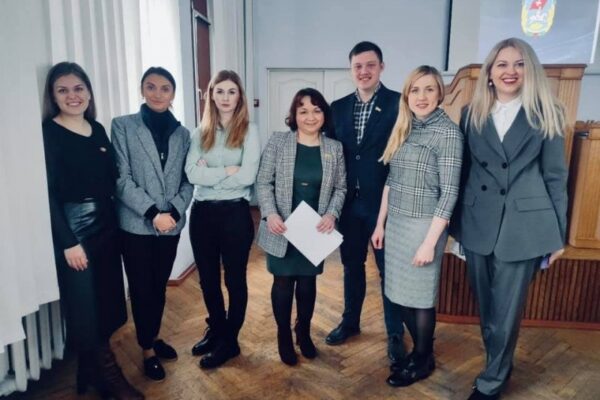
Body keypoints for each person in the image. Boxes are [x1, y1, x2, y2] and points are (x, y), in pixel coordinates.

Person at [450, 38, 568, 400]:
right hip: (478, 222)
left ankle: (492, 380)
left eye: (519, 64)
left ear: (529, 71)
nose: (510, 71)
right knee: (487, 309)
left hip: (525, 227)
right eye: (502, 64)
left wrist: (558, 235)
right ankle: (498, 364)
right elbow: (464, 173)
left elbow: (555, 177)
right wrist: (457, 227)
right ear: (490, 72)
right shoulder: (472, 113)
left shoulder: (547, 112)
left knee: (506, 310)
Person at [42, 62, 144, 399]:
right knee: (87, 308)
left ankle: (88, 373)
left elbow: (112, 179)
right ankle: (111, 379)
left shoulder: (96, 128)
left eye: (78, 88)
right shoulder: (49, 133)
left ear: (88, 92)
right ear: (53, 96)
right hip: (76, 230)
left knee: (109, 301)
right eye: (63, 90)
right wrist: (68, 242)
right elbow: (47, 193)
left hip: (107, 226)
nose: (72, 96)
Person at [371, 65, 463, 387]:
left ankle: (423, 359)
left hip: (425, 226)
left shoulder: (448, 134)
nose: (421, 97)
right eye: (415, 90)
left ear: (440, 93)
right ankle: (422, 353)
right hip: (397, 223)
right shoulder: (406, 127)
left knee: (421, 297)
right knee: (399, 295)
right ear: (406, 95)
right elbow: (391, 180)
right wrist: (380, 224)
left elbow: (449, 193)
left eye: (429, 89)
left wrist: (429, 242)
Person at [112, 67, 193, 381]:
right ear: (142, 90)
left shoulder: (183, 134)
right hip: (136, 225)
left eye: (165, 88)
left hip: (170, 225)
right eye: (151, 86)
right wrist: (152, 213)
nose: (158, 94)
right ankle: (147, 350)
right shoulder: (123, 126)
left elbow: (188, 180)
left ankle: (153, 336)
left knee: (159, 285)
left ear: (173, 94)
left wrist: (173, 211)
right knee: (141, 288)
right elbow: (121, 179)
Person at [326, 41, 405, 362]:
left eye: (370, 65)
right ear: (351, 70)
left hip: (384, 205)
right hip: (348, 205)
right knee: (351, 266)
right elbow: (330, 154)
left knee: (389, 271)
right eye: (358, 66)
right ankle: (350, 322)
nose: (364, 71)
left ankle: (395, 333)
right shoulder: (337, 108)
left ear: (381, 67)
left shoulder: (399, 104)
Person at [256, 88, 346, 366]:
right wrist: (270, 214)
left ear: (324, 115)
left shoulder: (334, 148)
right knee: (282, 283)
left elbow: (341, 187)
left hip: (313, 231)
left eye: (316, 110)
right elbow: (263, 182)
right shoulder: (278, 142)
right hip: (281, 227)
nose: (310, 116)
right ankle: (283, 334)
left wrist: (331, 214)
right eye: (303, 110)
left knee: (307, 284)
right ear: (294, 115)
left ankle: (302, 332)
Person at [185, 70, 260, 369]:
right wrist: (228, 171)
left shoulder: (249, 131)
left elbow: (248, 176)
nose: (226, 97)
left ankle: (230, 341)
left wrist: (210, 174)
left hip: (234, 214)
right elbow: (192, 174)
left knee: (234, 279)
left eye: (231, 91)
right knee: (207, 279)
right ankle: (216, 328)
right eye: (220, 91)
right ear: (211, 96)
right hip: (202, 214)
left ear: (239, 96)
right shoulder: (199, 133)